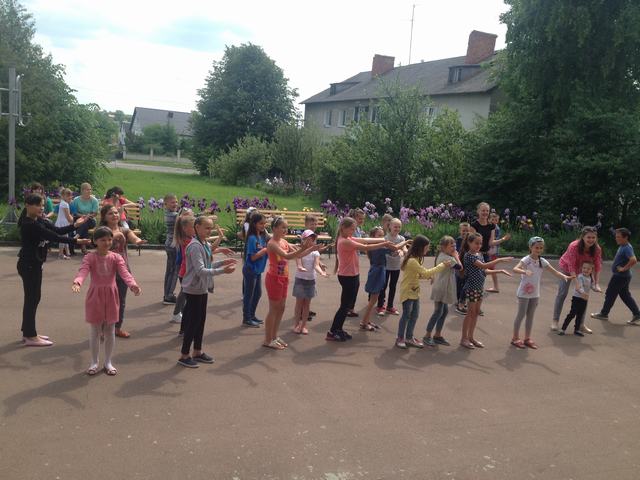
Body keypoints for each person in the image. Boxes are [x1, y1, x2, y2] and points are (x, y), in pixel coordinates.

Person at [17, 194, 90, 346]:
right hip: (28, 265)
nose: (41, 208)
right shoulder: (29, 224)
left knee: (33, 298)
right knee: (32, 298)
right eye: (37, 205)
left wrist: (75, 225)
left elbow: (58, 230)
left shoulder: (40, 220)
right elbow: (54, 237)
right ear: (27, 206)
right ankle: (30, 335)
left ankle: (28, 332)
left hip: (34, 263)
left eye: (42, 205)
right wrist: (76, 241)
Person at [72, 227, 141, 375]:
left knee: (110, 330)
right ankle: (94, 362)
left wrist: (132, 285)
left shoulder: (116, 257)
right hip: (95, 296)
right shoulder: (90, 257)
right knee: (95, 331)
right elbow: (83, 271)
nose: (107, 242)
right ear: (95, 241)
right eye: (103, 240)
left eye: (109, 239)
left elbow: (125, 273)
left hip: (111, 295)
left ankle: (108, 362)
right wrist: (78, 282)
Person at [178, 216, 237, 368]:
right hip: (193, 289)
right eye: (207, 228)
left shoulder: (204, 243)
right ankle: (184, 355)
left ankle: (197, 351)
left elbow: (208, 264)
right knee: (193, 322)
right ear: (197, 227)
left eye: (211, 228)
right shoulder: (195, 246)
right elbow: (200, 270)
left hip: (201, 288)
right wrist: (223, 271)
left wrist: (223, 262)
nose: (209, 231)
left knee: (200, 321)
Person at [327, 217, 395, 342]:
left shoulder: (348, 238)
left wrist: (385, 239)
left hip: (352, 275)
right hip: (347, 277)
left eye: (354, 229)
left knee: (346, 306)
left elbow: (365, 240)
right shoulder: (344, 241)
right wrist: (384, 243)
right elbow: (365, 247)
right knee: (344, 306)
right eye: (351, 229)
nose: (353, 231)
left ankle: (338, 329)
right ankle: (333, 331)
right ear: (343, 228)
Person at [263, 217, 321, 350]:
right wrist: (303, 248)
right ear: (274, 228)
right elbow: (288, 256)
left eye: (286, 227)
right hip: (274, 279)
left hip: (283, 278)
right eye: (283, 227)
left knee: (281, 308)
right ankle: (267, 340)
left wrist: (311, 249)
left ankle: (274, 337)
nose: (285, 230)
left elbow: (299, 254)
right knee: (273, 309)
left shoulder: (283, 241)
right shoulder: (272, 243)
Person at [511, 237, 572, 349]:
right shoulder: (526, 260)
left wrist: (564, 276)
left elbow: (555, 272)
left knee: (530, 316)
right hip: (524, 292)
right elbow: (515, 269)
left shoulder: (542, 261)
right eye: (536, 247)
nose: (538, 250)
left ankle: (527, 338)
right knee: (521, 315)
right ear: (530, 247)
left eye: (541, 248)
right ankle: (515, 338)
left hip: (535, 293)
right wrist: (524, 271)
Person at [396, 235, 452, 349]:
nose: (428, 249)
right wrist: (442, 265)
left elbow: (418, 274)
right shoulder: (412, 260)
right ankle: (400, 338)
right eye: (426, 247)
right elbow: (425, 272)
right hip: (407, 292)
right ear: (420, 247)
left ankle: (409, 337)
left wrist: (426, 277)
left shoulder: (416, 258)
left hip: (414, 292)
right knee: (406, 315)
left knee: (414, 315)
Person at [459, 232, 513, 349]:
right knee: (470, 313)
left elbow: (484, 271)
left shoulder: (479, 254)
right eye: (476, 243)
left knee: (476, 313)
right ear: (469, 243)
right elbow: (483, 266)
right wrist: (499, 260)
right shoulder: (469, 256)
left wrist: (499, 271)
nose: (479, 245)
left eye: (480, 243)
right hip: (472, 288)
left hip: (479, 288)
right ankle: (464, 338)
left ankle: (471, 337)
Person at [100, 205, 146, 338]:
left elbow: (132, 237)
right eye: (110, 213)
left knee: (121, 300)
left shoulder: (124, 230)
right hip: (106, 271)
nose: (114, 215)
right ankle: (102, 328)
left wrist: (138, 241)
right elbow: (99, 242)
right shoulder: (102, 231)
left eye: (116, 213)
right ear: (104, 217)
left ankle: (117, 328)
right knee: (106, 301)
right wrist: (116, 235)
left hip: (122, 270)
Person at [552, 226, 603, 332]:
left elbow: (597, 266)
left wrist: (596, 283)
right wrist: (577, 284)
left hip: (583, 270)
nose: (591, 240)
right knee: (562, 293)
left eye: (593, 237)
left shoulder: (597, 249)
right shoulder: (574, 246)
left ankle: (580, 324)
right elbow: (571, 265)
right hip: (567, 269)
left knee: (584, 296)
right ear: (583, 237)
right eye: (588, 237)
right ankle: (555, 320)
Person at [361, 226, 408, 331]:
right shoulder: (379, 247)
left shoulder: (375, 246)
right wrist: (406, 242)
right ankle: (364, 322)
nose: (382, 238)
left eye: (383, 235)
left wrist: (395, 252)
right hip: (377, 272)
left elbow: (392, 251)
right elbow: (395, 248)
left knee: (373, 300)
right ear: (373, 237)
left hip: (378, 270)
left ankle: (366, 320)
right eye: (379, 235)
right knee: (373, 301)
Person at [591, 228, 640, 325]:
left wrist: (624, 268)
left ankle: (604, 314)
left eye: (618, 237)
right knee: (625, 295)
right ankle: (637, 314)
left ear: (626, 237)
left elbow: (634, 260)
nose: (616, 238)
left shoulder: (627, 248)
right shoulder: (623, 246)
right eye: (616, 236)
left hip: (620, 277)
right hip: (623, 276)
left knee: (610, 293)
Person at [424, 236, 461, 347]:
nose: (454, 248)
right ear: (444, 247)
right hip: (441, 288)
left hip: (442, 287)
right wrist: (456, 256)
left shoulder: (442, 255)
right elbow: (460, 267)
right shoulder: (449, 258)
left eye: (455, 245)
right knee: (438, 312)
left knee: (444, 311)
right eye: (451, 246)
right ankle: (427, 335)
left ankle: (437, 335)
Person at [292, 230, 328, 335]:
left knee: (307, 304)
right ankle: (296, 325)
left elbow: (316, 265)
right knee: (299, 304)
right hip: (300, 279)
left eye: (313, 239)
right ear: (303, 240)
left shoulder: (315, 252)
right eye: (308, 239)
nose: (311, 241)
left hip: (311, 280)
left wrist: (321, 272)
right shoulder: (299, 250)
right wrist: (300, 267)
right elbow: (298, 262)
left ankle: (303, 326)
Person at [470, 202, 510, 293]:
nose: (485, 212)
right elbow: (471, 243)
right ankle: (470, 294)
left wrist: (503, 239)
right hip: (475, 255)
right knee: (476, 275)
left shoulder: (492, 226)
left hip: (485, 254)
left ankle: (492, 288)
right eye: (483, 210)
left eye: (487, 211)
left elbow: (491, 243)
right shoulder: (474, 225)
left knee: (486, 273)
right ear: (478, 211)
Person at [242, 212, 269, 328]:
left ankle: (251, 315)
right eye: (261, 223)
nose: (263, 226)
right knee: (249, 295)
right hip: (250, 270)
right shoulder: (252, 238)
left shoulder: (262, 237)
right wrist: (264, 250)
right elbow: (252, 257)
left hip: (257, 270)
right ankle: (246, 318)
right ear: (254, 224)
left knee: (257, 294)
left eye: (264, 223)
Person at [170, 213, 196, 330]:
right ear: (185, 228)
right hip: (186, 272)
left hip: (186, 272)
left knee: (184, 294)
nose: (195, 229)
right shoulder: (186, 241)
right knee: (186, 295)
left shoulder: (188, 238)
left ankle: (179, 315)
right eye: (193, 227)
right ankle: (178, 315)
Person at [377, 218, 407, 316]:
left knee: (393, 286)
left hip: (396, 266)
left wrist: (403, 252)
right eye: (395, 226)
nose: (397, 228)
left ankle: (390, 306)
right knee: (383, 286)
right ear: (390, 226)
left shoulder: (401, 239)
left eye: (399, 227)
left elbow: (404, 248)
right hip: (386, 266)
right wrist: (391, 252)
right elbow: (383, 250)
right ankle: (380, 306)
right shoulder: (385, 238)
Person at [559, 262, 596, 336]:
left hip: (584, 299)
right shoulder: (580, 277)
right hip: (577, 298)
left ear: (591, 270)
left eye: (588, 269)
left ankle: (576, 330)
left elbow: (592, 286)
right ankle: (563, 329)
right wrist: (583, 293)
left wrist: (596, 289)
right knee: (572, 313)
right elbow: (579, 287)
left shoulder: (590, 278)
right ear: (581, 268)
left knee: (580, 315)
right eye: (584, 268)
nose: (586, 270)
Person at [345, 208, 367, 318]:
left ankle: (350, 308)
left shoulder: (357, 229)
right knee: (351, 286)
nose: (362, 221)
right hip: (349, 260)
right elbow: (357, 243)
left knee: (355, 285)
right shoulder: (351, 230)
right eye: (360, 218)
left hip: (355, 259)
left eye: (363, 219)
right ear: (353, 218)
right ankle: (346, 308)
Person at [71, 183, 99, 253]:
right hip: (79, 218)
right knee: (84, 224)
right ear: (82, 190)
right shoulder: (76, 200)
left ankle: (77, 236)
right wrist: (82, 216)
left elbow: (95, 213)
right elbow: (74, 212)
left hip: (91, 220)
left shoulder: (94, 200)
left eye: (90, 189)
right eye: (87, 190)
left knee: (84, 222)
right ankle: (83, 247)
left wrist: (87, 216)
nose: (89, 191)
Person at [162, 194, 180, 305]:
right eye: (172, 202)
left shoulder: (169, 214)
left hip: (169, 245)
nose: (175, 204)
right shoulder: (174, 215)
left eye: (176, 202)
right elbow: (188, 219)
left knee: (169, 271)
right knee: (174, 271)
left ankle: (167, 294)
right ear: (166, 204)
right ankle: (169, 296)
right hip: (173, 246)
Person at [455, 222, 471, 315]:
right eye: (463, 230)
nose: (465, 232)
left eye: (467, 230)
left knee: (465, 284)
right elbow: (457, 251)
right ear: (460, 231)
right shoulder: (459, 239)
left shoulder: (470, 239)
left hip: (467, 264)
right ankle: (458, 300)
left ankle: (462, 300)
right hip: (460, 263)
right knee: (459, 284)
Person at [54, 188, 74, 259]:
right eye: (68, 196)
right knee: (63, 239)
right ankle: (61, 254)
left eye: (70, 195)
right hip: (63, 224)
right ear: (63, 196)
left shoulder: (63, 203)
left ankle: (67, 252)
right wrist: (73, 221)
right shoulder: (65, 204)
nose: (70, 197)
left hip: (62, 223)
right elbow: (68, 216)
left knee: (65, 238)